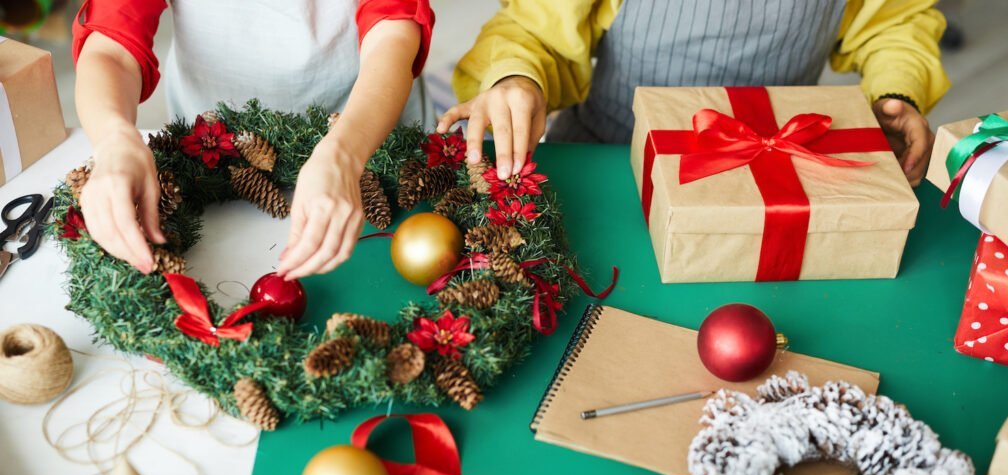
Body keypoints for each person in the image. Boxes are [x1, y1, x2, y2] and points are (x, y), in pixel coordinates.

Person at [72, 0, 433, 279]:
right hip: (214, 145)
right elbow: (111, 48)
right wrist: (115, 138)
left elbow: (392, 33)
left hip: (369, 130)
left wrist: (346, 151)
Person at [439, 0, 946, 188]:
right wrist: (516, 78)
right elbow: (534, 31)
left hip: (771, 183)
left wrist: (896, 90)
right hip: (612, 162)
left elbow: (894, 24)